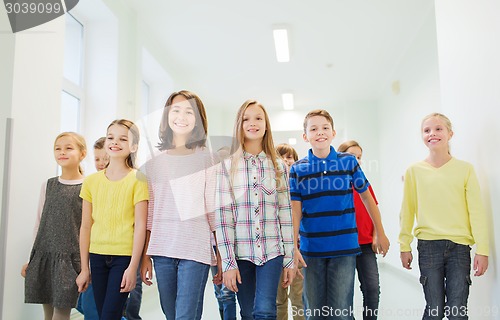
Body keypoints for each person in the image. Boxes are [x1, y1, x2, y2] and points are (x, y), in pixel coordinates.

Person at [289, 109, 389, 320]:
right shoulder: (298, 169)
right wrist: (292, 246)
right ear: (305, 136)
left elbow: (366, 197)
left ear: (333, 133)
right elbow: (295, 210)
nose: (320, 132)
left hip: (344, 249)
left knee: (341, 312)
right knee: (314, 312)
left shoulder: (348, 162)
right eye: (313, 129)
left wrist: (380, 232)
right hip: (311, 250)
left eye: (325, 128)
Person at [399, 112, 489, 319]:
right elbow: (407, 211)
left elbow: (476, 211)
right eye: (427, 130)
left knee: (457, 311)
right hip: (428, 247)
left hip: (459, 248)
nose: (432, 133)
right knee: (434, 310)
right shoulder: (414, 171)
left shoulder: (465, 169)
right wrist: (404, 245)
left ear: (450, 134)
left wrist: (482, 250)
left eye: (438, 129)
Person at [140, 90, 220, 320]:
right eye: (176, 110)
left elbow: (212, 210)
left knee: (185, 315)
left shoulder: (208, 158)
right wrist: (146, 255)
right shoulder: (154, 162)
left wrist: (221, 254)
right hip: (162, 248)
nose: (181, 116)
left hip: (195, 248)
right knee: (171, 314)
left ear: (198, 119)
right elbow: (151, 213)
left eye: (189, 111)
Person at [216, 100, 295, 320]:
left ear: (266, 124)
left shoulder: (278, 166)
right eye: (246, 119)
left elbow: (286, 215)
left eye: (258, 118)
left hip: (272, 251)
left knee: (265, 310)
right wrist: (229, 263)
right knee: (248, 313)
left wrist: (289, 259)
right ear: (239, 125)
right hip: (241, 255)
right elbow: (224, 219)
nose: (253, 123)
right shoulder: (227, 167)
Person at [77, 119, 148, 320]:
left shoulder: (138, 179)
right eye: (111, 137)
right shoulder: (91, 182)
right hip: (96, 256)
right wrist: (84, 268)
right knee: (104, 315)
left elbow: (141, 226)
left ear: (133, 146)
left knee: (109, 315)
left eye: (122, 139)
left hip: (123, 259)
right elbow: (85, 226)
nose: (115, 142)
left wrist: (133, 267)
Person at [22, 132, 87, 320]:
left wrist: (85, 266)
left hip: (70, 260)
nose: (62, 152)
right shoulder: (48, 185)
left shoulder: (88, 186)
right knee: (47, 313)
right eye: (57, 148)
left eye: (69, 148)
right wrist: (31, 259)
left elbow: (89, 227)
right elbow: (39, 223)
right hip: (45, 256)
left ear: (82, 154)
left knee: (61, 312)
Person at [338, 140, 380, 320]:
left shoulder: (365, 183)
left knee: (372, 288)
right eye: (352, 156)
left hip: (366, 246)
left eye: (359, 157)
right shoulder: (336, 184)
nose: (357, 160)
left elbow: (375, 211)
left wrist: (377, 235)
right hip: (344, 247)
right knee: (344, 293)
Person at [76, 137, 107, 320]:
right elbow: (86, 224)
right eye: (97, 159)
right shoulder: (91, 184)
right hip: (93, 252)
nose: (101, 163)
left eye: (105, 159)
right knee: (85, 304)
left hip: (113, 255)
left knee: (97, 307)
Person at [275, 143, 304, 320]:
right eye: (282, 157)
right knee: (279, 300)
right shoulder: (272, 186)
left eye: (290, 157)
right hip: (277, 251)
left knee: (299, 298)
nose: (286, 160)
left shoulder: (301, 185)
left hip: (298, 250)